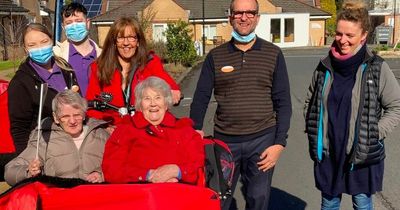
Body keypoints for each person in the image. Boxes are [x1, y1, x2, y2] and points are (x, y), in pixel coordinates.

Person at [189, 0, 292, 209]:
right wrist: (194, 130)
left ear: (257, 18)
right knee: (219, 200)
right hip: (225, 143)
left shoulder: (273, 54)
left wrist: (279, 144)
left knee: (258, 199)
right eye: (238, 13)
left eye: (249, 13)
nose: (244, 18)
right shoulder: (215, 56)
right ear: (230, 17)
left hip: (262, 140)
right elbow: (200, 97)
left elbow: (283, 102)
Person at [304, 1, 400, 209]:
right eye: (339, 34)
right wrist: (314, 129)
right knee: (329, 204)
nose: (342, 41)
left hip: (362, 153)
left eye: (350, 35)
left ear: (363, 35)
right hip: (329, 154)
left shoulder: (376, 67)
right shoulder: (324, 66)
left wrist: (374, 132)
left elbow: (395, 106)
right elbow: (310, 101)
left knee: (361, 202)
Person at [1, 23, 80, 181]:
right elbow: (19, 129)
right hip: (45, 153)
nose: (39, 48)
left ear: (52, 41)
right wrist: (28, 163)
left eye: (44, 42)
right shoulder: (21, 82)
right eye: (32, 45)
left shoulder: (66, 70)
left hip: (73, 146)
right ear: (25, 49)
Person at [102, 77, 204, 184]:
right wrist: (147, 175)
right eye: (147, 98)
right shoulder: (125, 130)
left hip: (179, 193)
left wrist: (177, 171)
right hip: (140, 195)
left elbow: (198, 166)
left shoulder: (183, 129)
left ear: (166, 103)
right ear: (140, 105)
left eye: (158, 98)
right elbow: (111, 170)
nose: (153, 103)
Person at [86, 17, 181, 126]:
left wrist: (172, 92)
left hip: (144, 128)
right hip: (112, 129)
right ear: (114, 42)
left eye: (131, 37)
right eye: (120, 38)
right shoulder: (99, 67)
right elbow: (90, 108)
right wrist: (106, 125)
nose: (126, 43)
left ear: (138, 42)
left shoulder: (150, 63)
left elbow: (172, 88)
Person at [4, 90, 109, 186]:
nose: (72, 121)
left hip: (96, 200)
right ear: (56, 118)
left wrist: (102, 174)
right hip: (59, 201)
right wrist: (28, 172)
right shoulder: (45, 139)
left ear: (84, 114)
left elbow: (122, 168)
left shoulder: (101, 135)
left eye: (77, 115)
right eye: (65, 116)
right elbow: (10, 172)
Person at [53, 2, 102, 97]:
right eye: (69, 23)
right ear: (63, 27)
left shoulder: (103, 55)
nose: (74, 26)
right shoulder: (56, 56)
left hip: (99, 110)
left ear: (87, 23)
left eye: (78, 21)